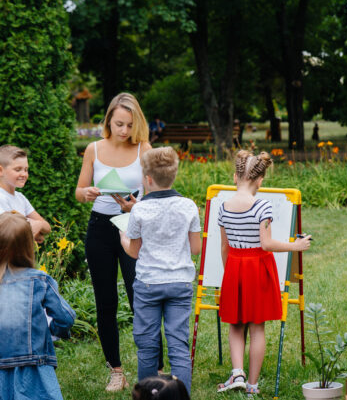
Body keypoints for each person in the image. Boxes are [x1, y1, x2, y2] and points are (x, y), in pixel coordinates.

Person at [75, 92, 162, 392]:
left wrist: (135, 206)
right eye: (119, 124)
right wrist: (85, 193)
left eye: (129, 125)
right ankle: (116, 371)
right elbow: (79, 189)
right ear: (109, 120)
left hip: (134, 227)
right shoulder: (93, 149)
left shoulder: (144, 149)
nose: (124, 131)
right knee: (106, 301)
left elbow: (155, 195)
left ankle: (156, 368)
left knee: (142, 298)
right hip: (99, 228)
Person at [216, 150, 311, 395]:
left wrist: (230, 273)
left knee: (236, 325)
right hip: (257, 268)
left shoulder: (223, 206)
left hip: (234, 267)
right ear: (260, 180)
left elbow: (224, 246)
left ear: (235, 177)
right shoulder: (262, 206)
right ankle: (252, 386)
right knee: (257, 327)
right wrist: (296, 245)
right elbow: (266, 244)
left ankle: (237, 372)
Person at [0, 212, 76, 400]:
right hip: (34, 372)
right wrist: (52, 331)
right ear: (27, 245)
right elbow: (66, 317)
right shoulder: (40, 280)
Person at [120, 147, 201, 394]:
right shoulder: (189, 206)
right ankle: (180, 396)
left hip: (148, 285)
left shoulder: (139, 210)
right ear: (173, 176)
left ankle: (147, 396)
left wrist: (123, 233)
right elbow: (196, 248)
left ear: (147, 179)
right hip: (180, 283)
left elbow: (133, 252)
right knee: (178, 345)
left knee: (147, 346)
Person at [0, 144, 51, 243]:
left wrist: (39, 225)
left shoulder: (21, 198)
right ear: (0, 170)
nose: (24, 174)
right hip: (2, 257)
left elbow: (47, 227)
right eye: (18, 169)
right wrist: (31, 228)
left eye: (26, 169)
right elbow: (10, 232)